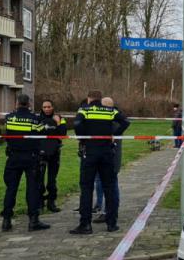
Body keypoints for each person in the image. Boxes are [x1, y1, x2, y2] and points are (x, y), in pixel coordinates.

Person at [71, 92, 130, 235]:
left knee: (86, 188)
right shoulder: (110, 111)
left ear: (89, 99)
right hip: (107, 153)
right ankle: (112, 224)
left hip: (90, 152)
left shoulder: (84, 110)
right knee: (109, 187)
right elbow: (125, 122)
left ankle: (85, 224)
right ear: (100, 99)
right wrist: (115, 134)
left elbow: (77, 124)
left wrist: (82, 137)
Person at [1, 94, 51, 232]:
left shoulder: (9, 118)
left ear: (17, 103)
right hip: (31, 157)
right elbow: (42, 134)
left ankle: (6, 220)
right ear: (29, 104)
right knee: (32, 189)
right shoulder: (35, 119)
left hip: (13, 157)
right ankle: (33, 221)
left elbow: (7, 133)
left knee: (11, 189)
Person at [93, 96, 123, 222]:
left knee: (111, 186)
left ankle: (109, 212)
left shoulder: (113, 120)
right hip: (107, 157)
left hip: (111, 158)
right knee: (106, 184)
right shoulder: (115, 118)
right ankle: (108, 210)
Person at [38, 100, 67, 213]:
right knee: (39, 180)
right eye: (44, 107)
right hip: (40, 153)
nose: (46, 109)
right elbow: (35, 133)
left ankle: (51, 203)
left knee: (51, 181)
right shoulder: (38, 119)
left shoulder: (59, 118)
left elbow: (63, 134)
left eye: (49, 107)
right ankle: (40, 203)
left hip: (54, 152)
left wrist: (58, 123)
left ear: (53, 107)